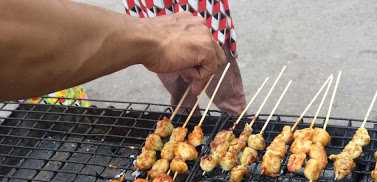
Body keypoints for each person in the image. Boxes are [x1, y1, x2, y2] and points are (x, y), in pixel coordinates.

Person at [0, 0, 242, 112]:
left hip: (201, 11)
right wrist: (146, 38)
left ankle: (238, 122)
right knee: (178, 88)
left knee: (219, 72)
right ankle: (185, 127)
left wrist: (144, 38)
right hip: (149, 10)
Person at [124, 0, 246, 114]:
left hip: (201, 10)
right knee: (181, 97)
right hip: (151, 12)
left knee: (227, 94)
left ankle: (237, 122)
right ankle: (188, 127)